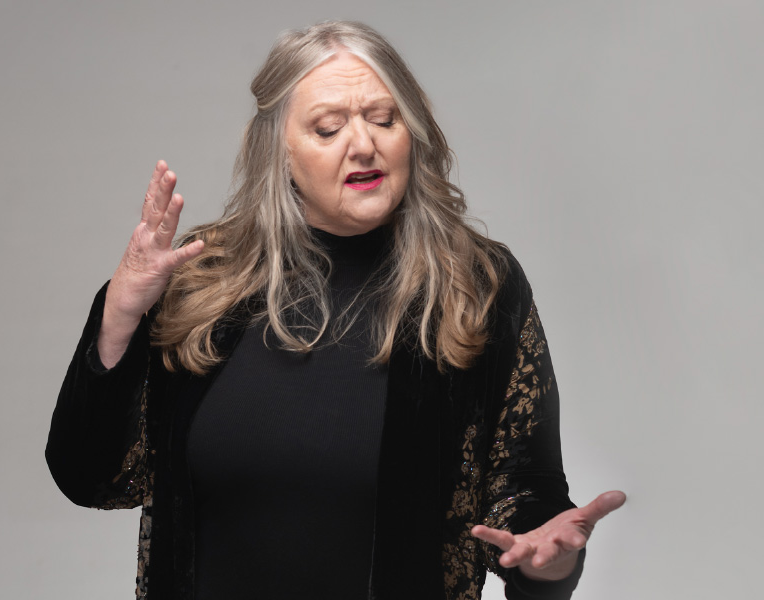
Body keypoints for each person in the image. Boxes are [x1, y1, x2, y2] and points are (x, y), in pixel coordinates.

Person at [46, 20, 625, 600]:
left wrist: (547, 562)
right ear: (279, 150)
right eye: (329, 127)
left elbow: (525, 492)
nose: (364, 144)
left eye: (384, 119)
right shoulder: (203, 280)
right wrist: (120, 313)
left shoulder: (475, 285)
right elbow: (93, 477)